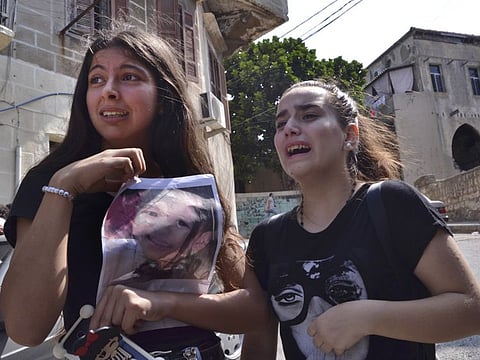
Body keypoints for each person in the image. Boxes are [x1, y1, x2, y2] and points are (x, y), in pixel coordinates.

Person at [0, 22, 268, 360]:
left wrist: (162, 302)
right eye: (96, 79)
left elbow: (253, 307)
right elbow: (25, 328)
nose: (109, 91)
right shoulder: (50, 182)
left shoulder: (192, 183)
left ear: (163, 94)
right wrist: (64, 188)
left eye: (129, 77)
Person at [241, 79, 480, 359]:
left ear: (350, 136)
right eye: (281, 124)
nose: (290, 128)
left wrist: (367, 317)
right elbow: (257, 342)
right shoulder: (265, 239)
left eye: (309, 116)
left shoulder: (393, 203)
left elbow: (471, 309)